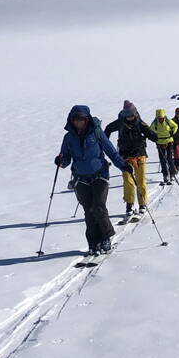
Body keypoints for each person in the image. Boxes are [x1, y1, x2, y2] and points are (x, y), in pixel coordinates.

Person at [56, 105, 133, 255]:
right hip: (80, 177)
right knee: (88, 211)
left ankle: (106, 237)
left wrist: (123, 165)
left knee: (98, 207)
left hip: (100, 175)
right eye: (75, 120)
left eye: (81, 120)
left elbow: (110, 151)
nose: (78, 122)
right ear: (71, 120)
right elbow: (65, 159)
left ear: (87, 119)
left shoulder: (96, 133)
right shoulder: (68, 137)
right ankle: (93, 241)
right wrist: (60, 161)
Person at [104, 100, 156, 219]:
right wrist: (105, 142)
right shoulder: (120, 122)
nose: (130, 118)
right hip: (125, 156)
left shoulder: (140, 123)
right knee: (128, 181)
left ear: (135, 113)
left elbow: (151, 133)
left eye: (131, 115)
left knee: (141, 180)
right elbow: (108, 128)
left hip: (140, 154)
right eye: (127, 116)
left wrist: (154, 137)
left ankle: (142, 204)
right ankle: (129, 204)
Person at [148, 108, 177, 185]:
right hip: (159, 142)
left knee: (169, 158)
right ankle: (165, 175)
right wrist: (153, 137)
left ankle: (172, 174)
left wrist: (172, 132)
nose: (160, 118)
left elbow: (175, 126)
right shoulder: (155, 123)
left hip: (169, 141)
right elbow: (150, 130)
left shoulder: (168, 121)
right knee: (163, 160)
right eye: (159, 117)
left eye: (161, 117)